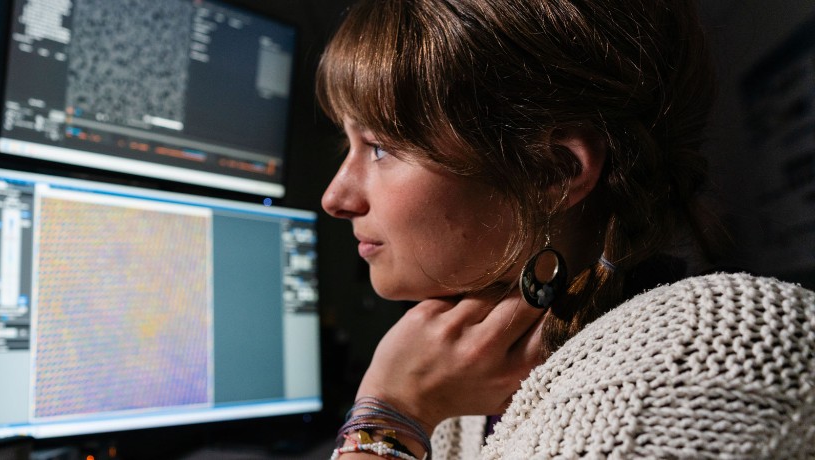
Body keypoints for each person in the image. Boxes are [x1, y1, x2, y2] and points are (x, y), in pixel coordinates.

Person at [315, 0, 815, 458]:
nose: (335, 198)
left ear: (554, 171)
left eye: (381, 147)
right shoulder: (466, 372)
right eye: (348, 144)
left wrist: (386, 415)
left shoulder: (704, 361)